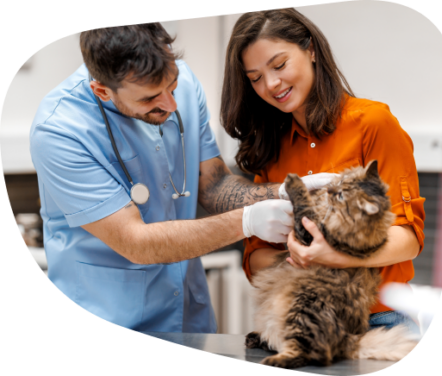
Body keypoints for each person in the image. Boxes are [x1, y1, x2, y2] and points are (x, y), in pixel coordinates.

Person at [29, 22, 336, 333]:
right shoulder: (60, 130)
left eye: (172, 87)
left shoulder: (184, 81)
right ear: (103, 91)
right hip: (104, 326)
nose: (171, 104)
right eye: (150, 99)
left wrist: (279, 193)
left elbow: (214, 185)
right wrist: (247, 221)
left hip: (186, 312)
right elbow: (135, 242)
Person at [221, 7, 425, 333]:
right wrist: (296, 256)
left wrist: (332, 255)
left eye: (279, 65)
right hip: (306, 326)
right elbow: (255, 259)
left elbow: (408, 239)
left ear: (311, 49)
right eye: (255, 78)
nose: (271, 84)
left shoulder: (373, 124)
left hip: (381, 323)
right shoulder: (268, 148)